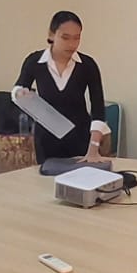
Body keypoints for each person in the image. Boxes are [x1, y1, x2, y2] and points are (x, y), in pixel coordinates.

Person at [13, 10, 110, 165]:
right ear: (51, 35)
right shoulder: (35, 61)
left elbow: (98, 108)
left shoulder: (87, 65)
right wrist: (20, 94)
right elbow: (18, 89)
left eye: (77, 38)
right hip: (46, 141)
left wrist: (93, 147)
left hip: (80, 139)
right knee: (47, 178)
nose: (71, 44)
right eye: (65, 37)